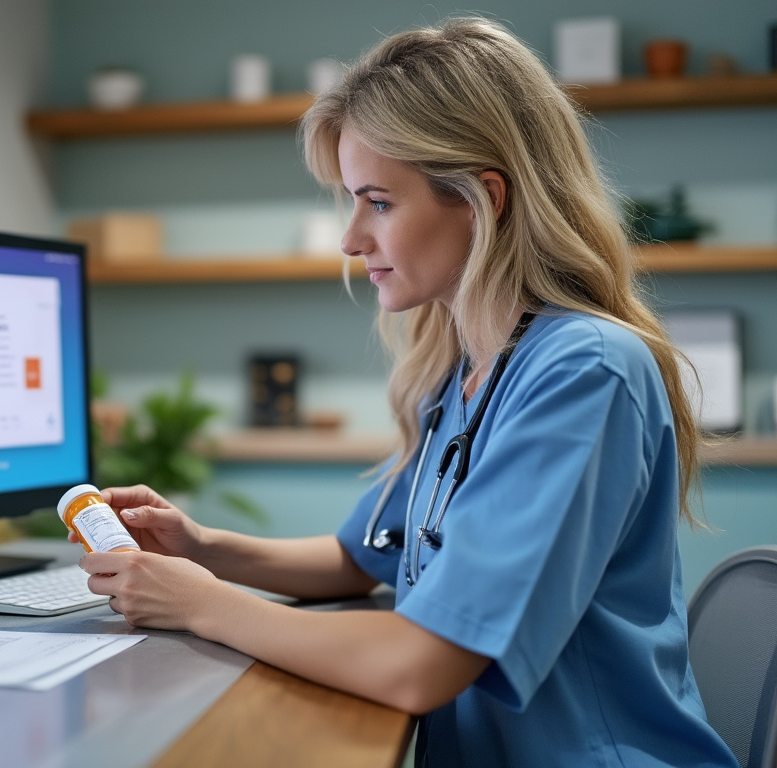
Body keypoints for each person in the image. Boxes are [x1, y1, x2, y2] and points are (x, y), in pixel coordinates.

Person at [75, 17, 738, 768]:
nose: (351, 239)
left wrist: (199, 602)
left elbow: (424, 662)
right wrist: (202, 548)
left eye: (378, 202)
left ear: (484, 200)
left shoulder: (583, 371)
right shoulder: (466, 372)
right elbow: (361, 558)